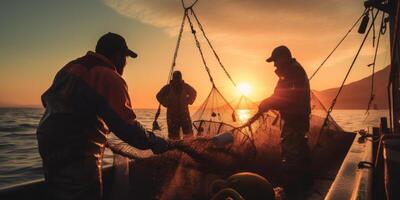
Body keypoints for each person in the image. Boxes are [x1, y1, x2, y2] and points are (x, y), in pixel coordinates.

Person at [36, 32, 171, 200]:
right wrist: (157, 143)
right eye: (125, 57)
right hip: (77, 151)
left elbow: (50, 102)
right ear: (117, 55)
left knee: (59, 191)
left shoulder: (69, 68)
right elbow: (126, 127)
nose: (125, 63)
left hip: (48, 144)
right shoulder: (107, 76)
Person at [246, 45, 311, 199]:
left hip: (295, 122)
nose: (274, 65)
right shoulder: (293, 71)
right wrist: (268, 103)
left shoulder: (292, 71)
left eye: (275, 60)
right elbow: (282, 95)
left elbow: (285, 97)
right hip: (297, 120)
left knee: (291, 157)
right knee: (301, 153)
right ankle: (305, 186)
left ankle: (290, 192)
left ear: (283, 57)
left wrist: (266, 103)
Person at [156, 71, 197, 139]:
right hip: (172, 116)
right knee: (173, 137)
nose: (177, 79)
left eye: (178, 78)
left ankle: (188, 147)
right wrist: (166, 103)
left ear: (181, 78)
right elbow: (158, 96)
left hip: (184, 115)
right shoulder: (168, 87)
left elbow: (194, 93)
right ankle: (175, 148)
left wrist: (189, 101)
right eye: (176, 78)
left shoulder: (185, 86)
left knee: (189, 135)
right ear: (173, 78)